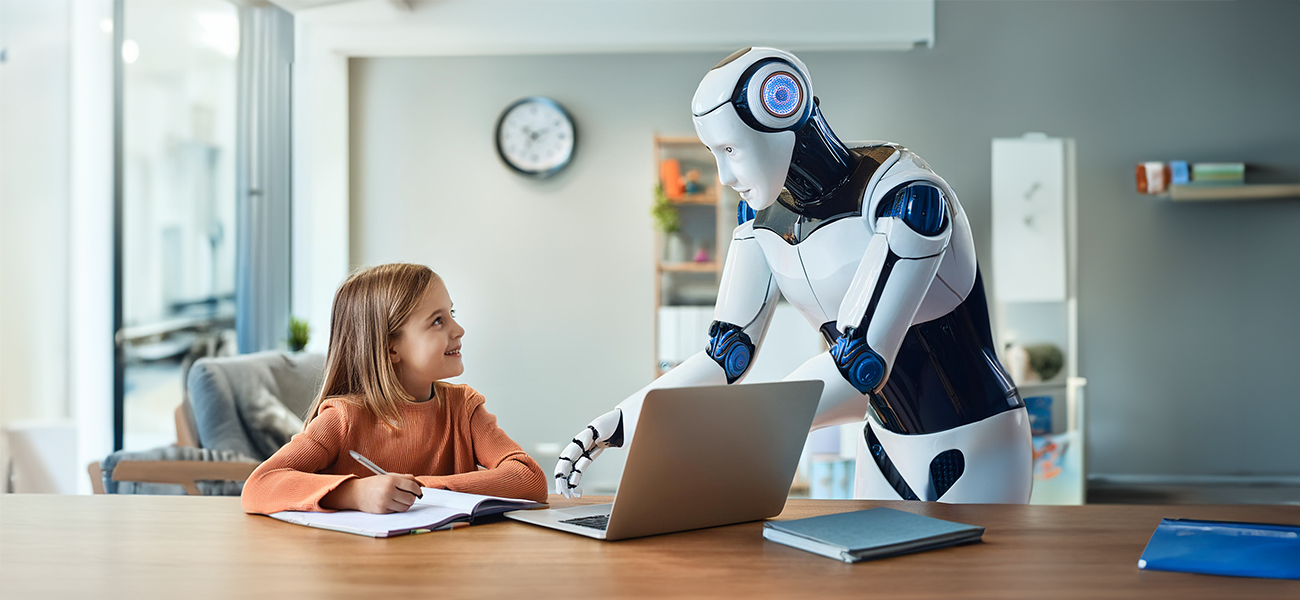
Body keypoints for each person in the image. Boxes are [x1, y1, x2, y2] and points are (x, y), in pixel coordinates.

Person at [554, 48, 1032, 504]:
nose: (723, 175)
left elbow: (860, 364)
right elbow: (725, 355)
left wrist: (720, 437)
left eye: (730, 149)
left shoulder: (904, 197)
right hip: (884, 443)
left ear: (782, 110)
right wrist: (624, 421)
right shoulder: (758, 218)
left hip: (976, 439)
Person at [242, 263, 548, 514]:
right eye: (437, 321)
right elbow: (259, 485)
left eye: (451, 314)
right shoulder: (343, 419)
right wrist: (353, 493)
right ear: (391, 348)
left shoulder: (464, 408)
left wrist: (422, 489)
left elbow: (529, 479)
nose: (459, 329)